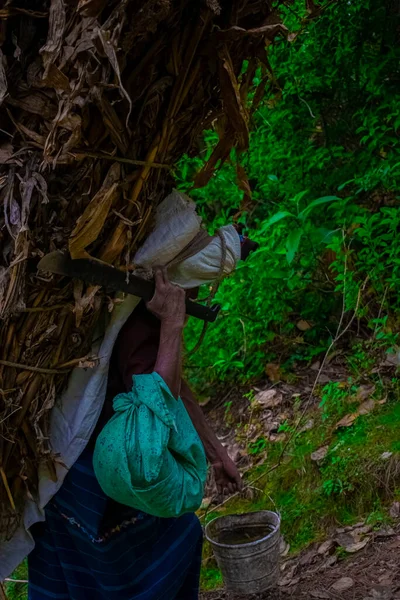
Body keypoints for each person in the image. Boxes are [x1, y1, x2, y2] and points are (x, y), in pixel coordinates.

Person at [27, 268, 242, 600]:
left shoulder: (129, 304)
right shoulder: (136, 314)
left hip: (67, 468)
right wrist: (173, 324)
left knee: (74, 564)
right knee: (172, 539)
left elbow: (175, 389)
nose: (196, 295)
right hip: (101, 468)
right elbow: (155, 400)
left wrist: (216, 453)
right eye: (195, 286)